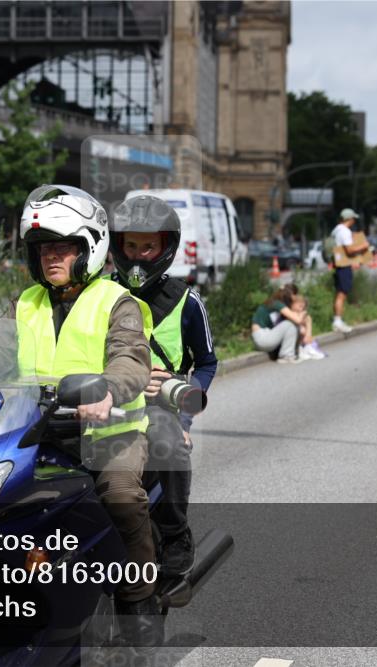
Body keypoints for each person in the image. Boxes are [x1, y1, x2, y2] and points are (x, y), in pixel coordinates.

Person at [14, 185, 161, 645]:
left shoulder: (118, 302)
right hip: (41, 433)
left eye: (63, 247)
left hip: (110, 433)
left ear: (90, 247)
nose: (51, 258)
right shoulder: (27, 304)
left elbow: (131, 358)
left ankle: (139, 600)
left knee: (119, 494)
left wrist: (110, 390)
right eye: (43, 249)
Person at [108, 194, 218, 579]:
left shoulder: (187, 302)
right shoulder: (99, 293)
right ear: (117, 246)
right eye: (131, 246)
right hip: (107, 398)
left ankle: (174, 534)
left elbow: (206, 363)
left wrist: (184, 408)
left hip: (159, 406)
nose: (138, 256)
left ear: (165, 248)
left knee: (169, 444)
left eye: (148, 246)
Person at [330, 208, 370, 333]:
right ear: (350, 219)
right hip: (344, 266)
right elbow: (349, 250)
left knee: (339, 293)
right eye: (353, 219)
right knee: (342, 294)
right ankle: (337, 321)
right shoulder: (344, 231)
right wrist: (363, 246)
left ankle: (338, 320)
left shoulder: (336, 230)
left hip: (338, 264)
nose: (354, 221)